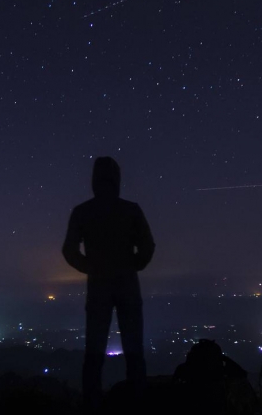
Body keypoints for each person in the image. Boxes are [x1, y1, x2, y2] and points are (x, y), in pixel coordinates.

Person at [62, 156, 155, 408]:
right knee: (134, 350)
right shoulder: (131, 210)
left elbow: (69, 251)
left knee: (94, 352)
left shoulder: (83, 212)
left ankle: (92, 404)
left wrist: (91, 267)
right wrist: (131, 265)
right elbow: (148, 247)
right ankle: (137, 403)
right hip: (127, 286)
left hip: (98, 287)